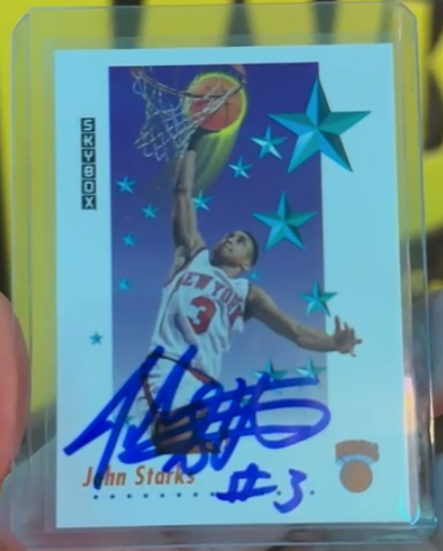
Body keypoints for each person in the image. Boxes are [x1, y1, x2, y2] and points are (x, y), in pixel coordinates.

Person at [135, 129, 362, 455]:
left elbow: (296, 332)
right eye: (229, 235)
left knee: (191, 453)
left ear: (246, 263)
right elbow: (183, 192)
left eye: (240, 241)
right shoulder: (192, 256)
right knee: (164, 445)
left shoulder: (248, 294)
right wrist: (193, 143)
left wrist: (333, 343)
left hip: (203, 379)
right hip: (167, 365)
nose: (230, 238)